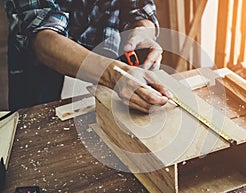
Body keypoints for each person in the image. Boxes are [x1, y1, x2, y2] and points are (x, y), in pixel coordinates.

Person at [5, 0, 172, 113]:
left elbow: (139, 8)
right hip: (43, 66)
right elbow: (42, 36)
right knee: (36, 135)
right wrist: (114, 74)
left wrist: (143, 30)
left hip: (115, 62)